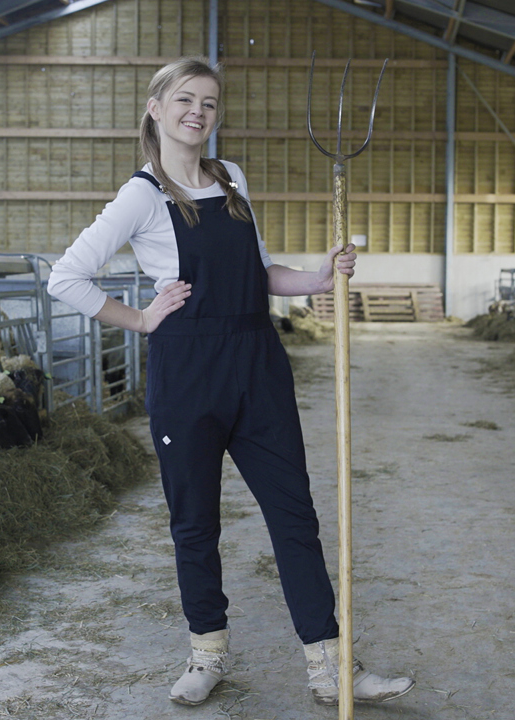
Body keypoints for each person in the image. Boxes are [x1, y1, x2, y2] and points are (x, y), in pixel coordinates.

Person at [47, 56, 415, 708]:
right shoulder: (143, 193)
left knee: (295, 516)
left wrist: (320, 277)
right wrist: (138, 318)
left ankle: (331, 668)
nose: (199, 112)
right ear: (156, 108)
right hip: (186, 374)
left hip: (258, 366)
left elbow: (262, 270)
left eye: (210, 103)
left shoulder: (231, 177)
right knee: (195, 523)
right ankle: (208, 655)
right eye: (185, 99)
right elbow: (66, 278)